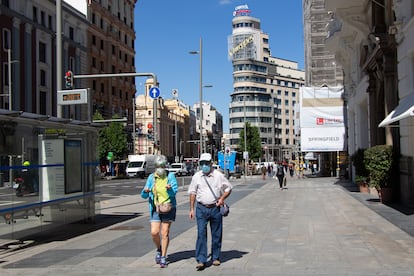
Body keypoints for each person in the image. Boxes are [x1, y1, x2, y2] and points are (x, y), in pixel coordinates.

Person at [188, 153, 233, 271]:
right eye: (201, 163)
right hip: (201, 208)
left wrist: (222, 199)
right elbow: (192, 192)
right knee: (201, 233)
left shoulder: (218, 175)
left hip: (215, 208)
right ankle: (201, 260)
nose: (204, 166)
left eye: (206, 163)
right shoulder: (197, 176)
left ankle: (216, 257)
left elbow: (229, 188)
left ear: (211, 163)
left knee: (217, 234)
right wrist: (191, 209)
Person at [141, 155, 178, 268]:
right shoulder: (152, 178)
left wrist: (170, 189)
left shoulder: (170, 176)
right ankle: (159, 248)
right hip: (155, 208)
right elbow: (143, 195)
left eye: (162, 166)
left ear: (165, 166)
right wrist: (146, 191)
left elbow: (174, 192)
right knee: (154, 232)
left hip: (168, 207)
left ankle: (163, 256)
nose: (160, 168)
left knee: (165, 232)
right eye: (158, 166)